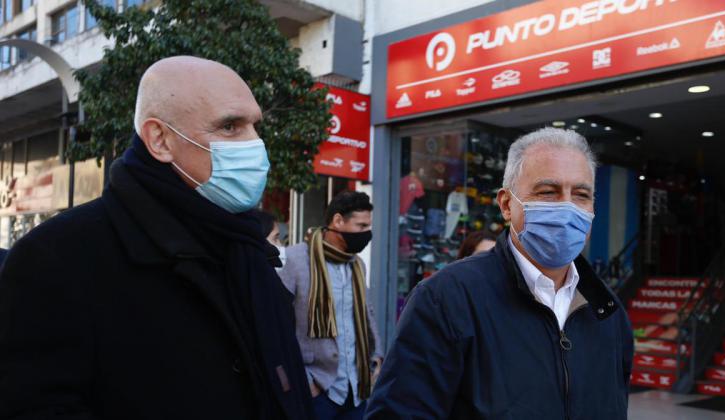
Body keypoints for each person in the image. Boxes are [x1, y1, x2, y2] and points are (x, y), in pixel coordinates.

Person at [0, 56, 313, 419]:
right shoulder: (58, 258)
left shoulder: (248, 248)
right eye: (229, 126)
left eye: (255, 126)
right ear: (160, 139)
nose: (255, 144)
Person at [366, 128, 634, 419]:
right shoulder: (446, 300)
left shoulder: (608, 313)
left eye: (581, 194)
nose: (567, 207)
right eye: (548, 192)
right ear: (507, 205)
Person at [279, 190, 383, 420]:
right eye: (361, 226)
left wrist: (376, 357)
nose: (367, 233)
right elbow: (277, 324)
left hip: (356, 391)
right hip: (317, 391)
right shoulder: (296, 260)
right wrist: (301, 380)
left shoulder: (357, 266)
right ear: (337, 221)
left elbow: (367, 314)